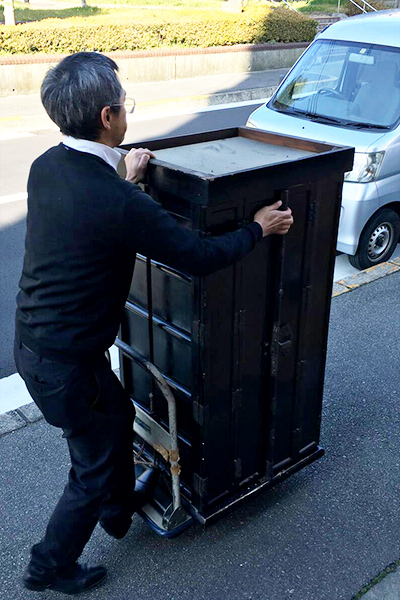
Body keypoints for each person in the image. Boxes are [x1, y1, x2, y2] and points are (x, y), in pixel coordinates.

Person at [14, 52, 294, 595]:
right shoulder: (117, 200)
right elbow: (197, 255)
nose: (126, 111)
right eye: (124, 104)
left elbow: (90, 208)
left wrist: (124, 173)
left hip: (39, 344)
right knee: (92, 463)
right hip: (68, 363)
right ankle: (47, 566)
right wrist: (259, 228)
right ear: (107, 117)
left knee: (111, 423)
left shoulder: (47, 166)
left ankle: (118, 513)